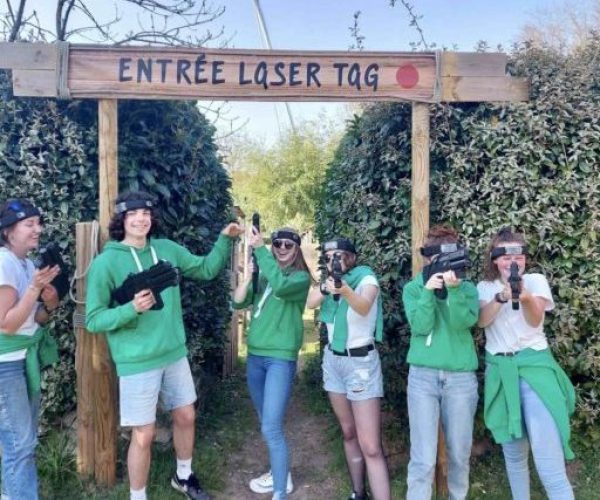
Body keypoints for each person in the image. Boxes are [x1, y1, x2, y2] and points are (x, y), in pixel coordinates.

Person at [85, 191, 243, 500]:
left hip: (174, 353)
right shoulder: (106, 263)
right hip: (137, 361)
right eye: (133, 214)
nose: (141, 219)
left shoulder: (166, 249)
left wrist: (225, 239)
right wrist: (132, 309)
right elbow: (93, 319)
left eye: (145, 213)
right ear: (122, 220)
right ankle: (138, 495)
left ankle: (183, 476)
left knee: (186, 416)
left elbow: (207, 269)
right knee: (143, 435)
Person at [477, 228, 575, 500]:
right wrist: (502, 297)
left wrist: (526, 296)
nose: (513, 263)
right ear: (495, 259)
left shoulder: (536, 280)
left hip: (535, 373)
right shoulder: (485, 288)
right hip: (501, 374)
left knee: (549, 465)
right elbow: (482, 321)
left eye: (519, 256)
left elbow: (534, 320)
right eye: (506, 257)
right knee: (514, 457)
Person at [307, 237, 390, 500]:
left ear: (352, 257)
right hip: (334, 361)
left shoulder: (366, 278)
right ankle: (358, 493)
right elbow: (310, 302)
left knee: (371, 447)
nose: (335, 259)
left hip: (360, 363)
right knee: (348, 432)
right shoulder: (329, 282)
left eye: (340, 254)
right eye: (329, 255)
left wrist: (344, 290)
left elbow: (364, 306)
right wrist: (327, 286)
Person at [232, 227, 311, 500]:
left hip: (280, 358)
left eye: (288, 244)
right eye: (277, 243)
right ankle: (281, 475)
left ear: (297, 248)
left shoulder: (300, 278)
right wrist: (249, 276)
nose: (281, 248)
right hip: (255, 356)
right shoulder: (266, 273)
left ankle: (279, 491)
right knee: (266, 421)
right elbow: (238, 301)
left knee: (271, 427)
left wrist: (261, 250)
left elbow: (281, 286)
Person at [402, 225, 479, 500]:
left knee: (459, 455)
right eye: (437, 259)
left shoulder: (467, 287)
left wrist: (454, 291)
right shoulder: (413, 288)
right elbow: (421, 327)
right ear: (427, 258)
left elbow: (464, 323)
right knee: (422, 458)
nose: (443, 265)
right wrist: (427, 292)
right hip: (423, 377)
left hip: (460, 379)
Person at [0, 198, 62, 500]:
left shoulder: (26, 264)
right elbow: (7, 324)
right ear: (9, 232)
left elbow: (32, 318)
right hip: (6, 364)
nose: (37, 229)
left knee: (22, 443)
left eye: (38, 223)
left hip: (23, 360)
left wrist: (49, 304)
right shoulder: (4, 263)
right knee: (19, 445)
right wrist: (35, 289)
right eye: (29, 224)